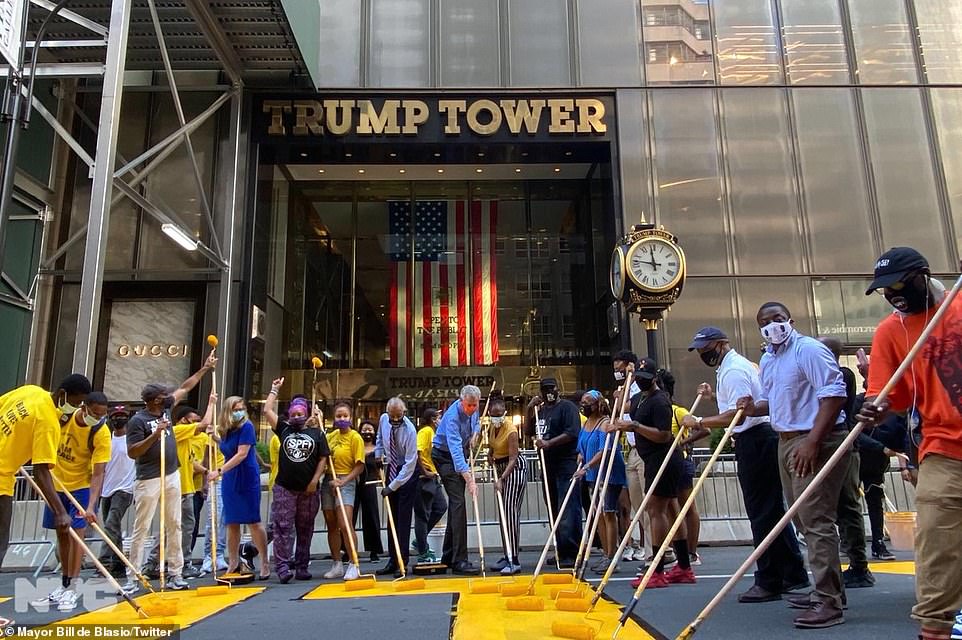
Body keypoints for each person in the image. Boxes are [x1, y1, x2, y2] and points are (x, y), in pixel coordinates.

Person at [856, 247, 962, 640]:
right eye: (885, 291)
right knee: (936, 540)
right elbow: (888, 396)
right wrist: (875, 408)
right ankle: (934, 629)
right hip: (943, 447)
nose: (894, 296)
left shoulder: (958, 305)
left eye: (899, 285)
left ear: (923, 276)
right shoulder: (890, 330)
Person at [736, 302, 848, 629]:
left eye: (778, 319)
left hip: (814, 439)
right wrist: (751, 407)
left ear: (790, 321)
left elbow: (834, 394)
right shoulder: (769, 360)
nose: (772, 326)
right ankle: (825, 591)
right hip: (785, 440)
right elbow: (773, 402)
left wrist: (813, 441)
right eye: (765, 322)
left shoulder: (809, 350)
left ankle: (828, 602)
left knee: (816, 519)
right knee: (801, 518)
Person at [685, 326, 810, 603]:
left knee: (762, 511)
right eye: (701, 350)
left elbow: (738, 415)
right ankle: (792, 573)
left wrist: (699, 422)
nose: (704, 354)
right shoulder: (731, 368)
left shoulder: (733, 370)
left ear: (721, 344)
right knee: (770, 510)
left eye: (707, 349)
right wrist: (712, 398)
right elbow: (737, 405)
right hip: (756, 438)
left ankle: (769, 579)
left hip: (755, 440)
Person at [124, 350, 216, 594]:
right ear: (154, 399)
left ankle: (176, 572)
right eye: (163, 396)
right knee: (141, 527)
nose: (168, 398)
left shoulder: (165, 411)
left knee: (175, 523)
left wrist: (205, 368)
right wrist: (155, 434)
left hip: (171, 474)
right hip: (149, 478)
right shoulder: (138, 421)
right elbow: (133, 452)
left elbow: (185, 387)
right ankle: (133, 576)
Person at [609, 358, 694, 589]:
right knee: (672, 508)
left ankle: (657, 569)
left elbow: (664, 435)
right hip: (651, 458)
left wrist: (634, 426)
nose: (642, 382)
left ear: (654, 379)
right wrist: (617, 421)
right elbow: (624, 407)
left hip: (664, 459)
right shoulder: (639, 398)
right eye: (639, 378)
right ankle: (684, 567)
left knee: (655, 510)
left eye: (646, 379)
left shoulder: (660, 401)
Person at [0, 374, 91, 581]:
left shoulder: (30, 391)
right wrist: (60, 512)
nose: (76, 408)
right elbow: (41, 472)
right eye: (75, 402)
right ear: (62, 394)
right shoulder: (48, 422)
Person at [31, 392, 111, 612]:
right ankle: (65, 583)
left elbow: (98, 473)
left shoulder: (100, 432)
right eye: (95, 413)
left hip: (81, 487)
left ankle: (73, 588)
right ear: (84, 408)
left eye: (102, 414)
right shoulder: (63, 417)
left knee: (77, 536)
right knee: (62, 532)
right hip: (57, 484)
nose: (98, 417)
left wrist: (91, 506)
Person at [819, 336, 874, 590]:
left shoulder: (841, 374)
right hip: (839, 446)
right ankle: (853, 561)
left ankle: (859, 565)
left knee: (848, 503)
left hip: (845, 446)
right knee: (840, 505)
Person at [264, 379, 329, 583]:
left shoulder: (317, 433)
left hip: (309, 489)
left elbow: (323, 459)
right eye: (293, 414)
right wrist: (274, 389)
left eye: (300, 414)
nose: (297, 417)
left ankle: (302, 565)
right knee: (282, 527)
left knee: (305, 527)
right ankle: (282, 567)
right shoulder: (284, 430)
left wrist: (314, 481)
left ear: (307, 413)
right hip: (285, 487)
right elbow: (266, 410)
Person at [143, 403, 212, 580]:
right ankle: (161, 562)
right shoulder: (179, 430)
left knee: (180, 528)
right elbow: (204, 424)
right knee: (175, 528)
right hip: (179, 488)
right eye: (193, 421)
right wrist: (211, 402)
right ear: (183, 420)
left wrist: (204, 473)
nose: (196, 425)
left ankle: (170, 562)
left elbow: (192, 462)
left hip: (187, 487)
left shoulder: (187, 438)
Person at [207, 395, 270, 580]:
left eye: (241, 408)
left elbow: (242, 454)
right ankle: (233, 561)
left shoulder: (247, 427)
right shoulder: (226, 430)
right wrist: (215, 438)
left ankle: (264, 561)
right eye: (235, 409)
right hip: (230, 478)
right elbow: (228, 449)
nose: (239, 412)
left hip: (246, 476)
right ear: (228, 411)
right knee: (231, 521)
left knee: (253, 520)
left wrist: (218, 471)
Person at [529, 377, 583, 568]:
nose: (548, 392)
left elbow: (572, 432)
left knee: (567, 505)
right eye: (545, 390)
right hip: (548, 464)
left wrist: (549, 443)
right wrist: (530, 408)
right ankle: (560, 547)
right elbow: (530, 431)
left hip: (565, 462)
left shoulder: (567, 408)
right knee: (553, 506)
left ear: (558, 389)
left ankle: (572, 550)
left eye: (551, 389)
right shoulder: (541, 410)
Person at [432, 385, 482, 575]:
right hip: (444, 457)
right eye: (468, 405)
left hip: (459, 452)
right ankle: (459, 560)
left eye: (474, 405)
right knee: (458, 503)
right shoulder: (452, 417)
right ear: (461, 401)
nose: (471, 409)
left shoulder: (475, 410)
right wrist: (469, 479)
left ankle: (448, 555)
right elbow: (455, 452)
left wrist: (475, 433)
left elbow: (476, 423)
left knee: (456, 505)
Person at [576, 390, 625, 575]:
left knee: (608, 512)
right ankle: (605, 553)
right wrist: (581, 457)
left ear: (598, 404)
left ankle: (612, 556)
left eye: (588, 402)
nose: (584, 405)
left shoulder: (605, 424)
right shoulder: (587, 423)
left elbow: (605, 450)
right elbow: (582, 447)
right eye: (582, 402)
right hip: (593, 476)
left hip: (608, 474)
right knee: (598, 515)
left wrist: (586, 466)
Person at [661, 369, 704, 566]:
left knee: (687, 507)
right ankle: (679, 552)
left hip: (681, 463)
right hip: (665, 465)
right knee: (672, 508)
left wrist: (683, 442)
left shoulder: (678, 411)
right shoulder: (658, 412)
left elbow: (704, 428)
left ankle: (692, 553)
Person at [375, 397, 420, 577]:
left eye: (398, 417)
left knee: (402, 518)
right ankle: (392, 560)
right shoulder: (383, 419)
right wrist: (378, 455)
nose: (394, 420)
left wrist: (392, 487)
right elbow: (379, 438)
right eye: (392, 416)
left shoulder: (410, 430)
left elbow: (410, 464)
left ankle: (403, 561)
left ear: (404, 413)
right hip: (391, 467)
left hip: (407, 471)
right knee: (391, 518)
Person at [321, 401, 365, 580]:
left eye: (345, 416)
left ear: (351, 417)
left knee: (345, 524)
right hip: (329, 481)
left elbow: (359, 466)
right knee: (331, 523)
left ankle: (353, 563)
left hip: (346, 480)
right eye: (338, 416)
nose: (341, 419)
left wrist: (343, 481)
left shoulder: (355, 438)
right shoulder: (330, 437)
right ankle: (337, 563)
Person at [613, 351, 649, 562]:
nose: (617, 373)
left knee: (647, 501)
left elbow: (630, 407)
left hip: (645, 448)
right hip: (632, 450)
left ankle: (652, 546)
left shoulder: (638, 387)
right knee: (636, 503)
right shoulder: (624, 386)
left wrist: (622, 399)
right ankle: (645, 545)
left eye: (620, 369)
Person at [488, 398, 524, 575]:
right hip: (500, 467)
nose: (496, 418)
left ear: (504, 414)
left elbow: (513, 458)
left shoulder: (511, 430)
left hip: (513, 469)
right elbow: (492, 447)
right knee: (503, 514)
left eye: (499, 415)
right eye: (493, 416)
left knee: (509, 512)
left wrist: (502, 478)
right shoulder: (491, 428)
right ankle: (506, 553)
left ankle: (514, 559)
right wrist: (489, 454)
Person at [98, 405, 135, 580]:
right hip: (106, 489)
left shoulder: (132, 440)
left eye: (122, 416)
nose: (118, 419)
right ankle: (119, 564)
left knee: (111, 524)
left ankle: (104, 563)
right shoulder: (106, 439)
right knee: (113, 527)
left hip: (125, 489)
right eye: (115, 416)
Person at [414, 408, 446, 564]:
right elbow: (417, 452)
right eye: (438, 417)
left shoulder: (433, 433)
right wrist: (424, 472)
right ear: (433, 419)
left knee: (441, 507)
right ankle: (423, 550)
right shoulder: (425, 432)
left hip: (433, 476)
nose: (440, 420)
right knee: (422, 515)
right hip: (424, 478)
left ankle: (421, 538)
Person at [355, 419, 384, 562]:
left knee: (371, 517)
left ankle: (374, 551)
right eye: (364, 430)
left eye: (370, 430)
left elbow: (381, 469)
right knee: (350, 518)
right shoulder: (356, 447)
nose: (367, 432)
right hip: (353, 484)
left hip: (370, 485)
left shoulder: (378, 450)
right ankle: (348, 551)